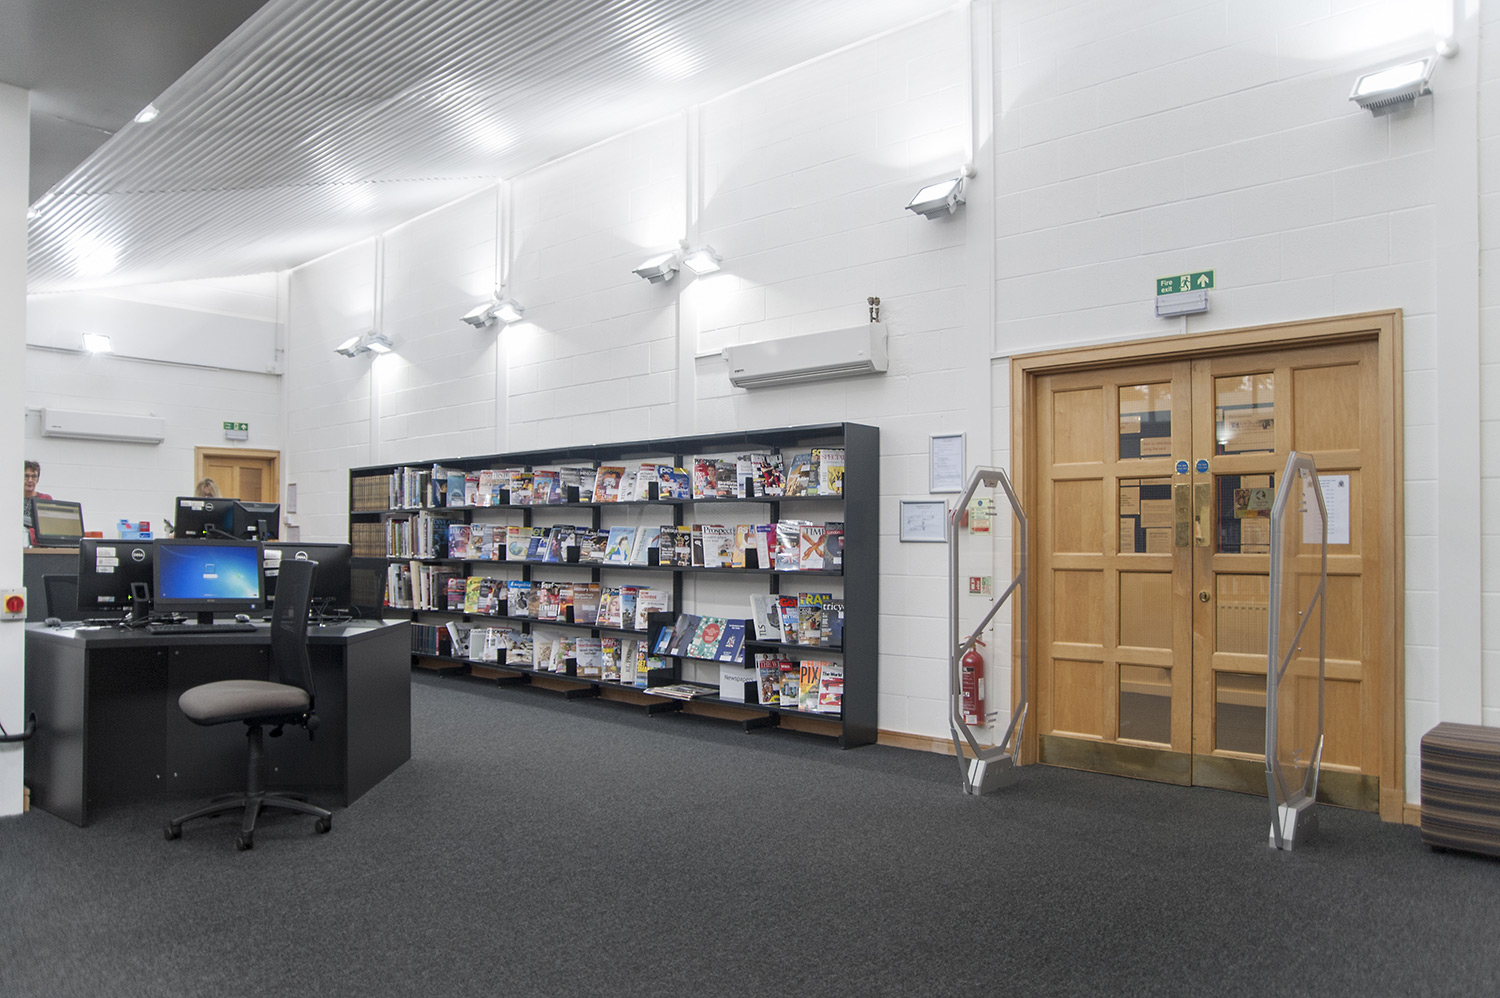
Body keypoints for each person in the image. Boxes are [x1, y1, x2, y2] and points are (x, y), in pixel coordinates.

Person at [23, 460, 51, 546]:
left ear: (37, 479)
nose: (30, 480)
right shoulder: (13, 499)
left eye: (34, 476)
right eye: (26, 476)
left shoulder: (45, 499)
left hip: (37, 544)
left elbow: (46, 526)